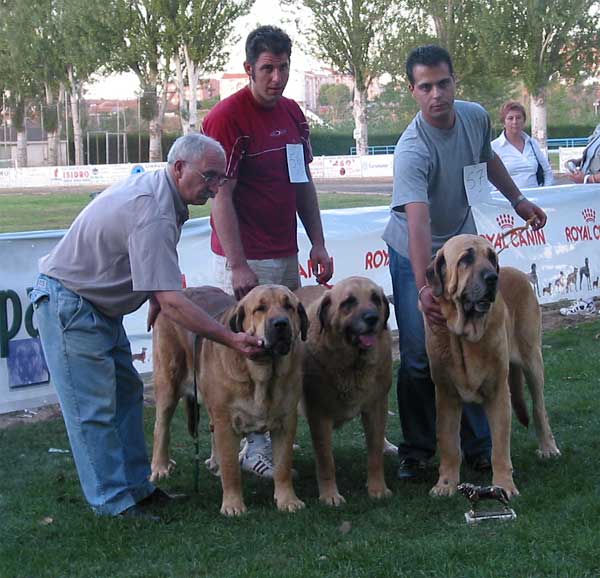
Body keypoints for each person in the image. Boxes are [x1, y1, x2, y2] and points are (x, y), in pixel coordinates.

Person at [29, 134, 264, 520]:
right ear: (178, 168)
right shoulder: (153, 207)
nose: (216, 186)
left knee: (125, 394)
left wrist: (155, 293)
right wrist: (230, 338)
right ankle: (112, 502)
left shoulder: (166, 195)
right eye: (209, 176)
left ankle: (137, 488)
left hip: (95, 309)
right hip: (70, 305)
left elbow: (146, 262)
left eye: (221, 178)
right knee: (94, 410)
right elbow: (173, 300)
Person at [382, 45, 547, 480]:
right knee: (420, 354)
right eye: (425, 87)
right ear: (413, 91)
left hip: (465, 252)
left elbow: (488, 160)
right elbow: (417, 226)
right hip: (416, 253)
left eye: (443, 83)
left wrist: (519, 199)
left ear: (454, 82)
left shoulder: (474, 116)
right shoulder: (412, 150)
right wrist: (425, 288)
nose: (436, 94)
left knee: (475, 348)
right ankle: (417, 451)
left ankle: (478, 448)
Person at [202, 25, 333, 479]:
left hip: (285, 254)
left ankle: (273, 438)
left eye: (283, 68)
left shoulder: (295, 115)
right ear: (249, 69)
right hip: (245, 258)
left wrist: (316, 241)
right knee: (246, 351)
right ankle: (245, 447)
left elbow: (303, 185)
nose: (276, 78)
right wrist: (237, 264)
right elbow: (220, 196)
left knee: (286, 346)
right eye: (267, 69)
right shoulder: (226, 118)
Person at [491, 100, 554, 189]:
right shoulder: (494, 147)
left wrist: (545, 192)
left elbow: (547, 171)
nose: (515, 122)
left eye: (518, 117)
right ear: (503, 122)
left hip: (535, 199)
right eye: (510, 118)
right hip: (509, 201)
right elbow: (489, 179)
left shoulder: (532, 144)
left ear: (523, 120)